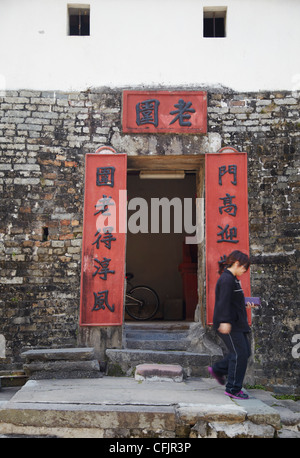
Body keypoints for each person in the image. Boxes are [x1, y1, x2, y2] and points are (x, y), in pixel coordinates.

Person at [208, 250, 256, 400]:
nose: (244, 271)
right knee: (239, 354)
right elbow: (223, 302)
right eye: (243, 267)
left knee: (245, 352)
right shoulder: (227, 279)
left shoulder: (233, 279)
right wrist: (224, 321)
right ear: (236, 263)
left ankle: (218, 369)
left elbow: (233, 300)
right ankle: (233, 389)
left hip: (236, 323)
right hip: (229, 323)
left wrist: (246, 303)